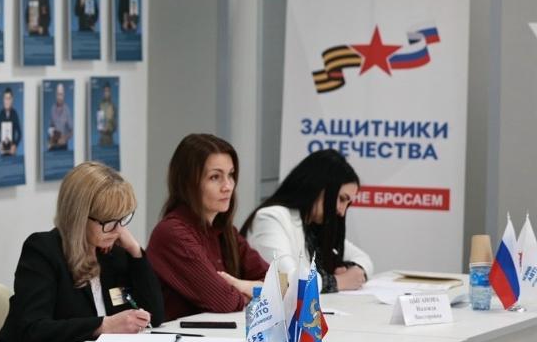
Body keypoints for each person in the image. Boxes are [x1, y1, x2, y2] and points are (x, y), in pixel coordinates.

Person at [0, 163, 165, 342]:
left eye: (122, 219)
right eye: (109, 221)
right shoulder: (43, 251)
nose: (118, 230)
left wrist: (135, 252)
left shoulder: (113, 252)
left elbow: (155, 316)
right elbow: (33, 330)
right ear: (79, 217)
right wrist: (103, 325)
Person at [148, 134, 270, 319]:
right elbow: (225, 302)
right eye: (215, 177)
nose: (228, 186)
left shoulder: (225, 231)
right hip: (183, 337)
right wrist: (256, 292)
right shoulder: (172, 233)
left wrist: (242, 286)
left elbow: (281, 284)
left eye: (230, 175)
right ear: (188, 182)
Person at [242, 149, 374, 292]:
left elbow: (364, 259)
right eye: (342, 199)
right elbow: (287, 280)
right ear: (319, 187)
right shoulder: (270, 218)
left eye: (347, 204)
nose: (342, 212)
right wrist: (339, 281)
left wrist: (350, 271)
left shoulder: (314, 226)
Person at [0, 86, 21, 156]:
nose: (7, 101)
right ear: (3, 100)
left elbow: (19, 133)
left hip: (12, 152)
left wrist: (15, 145)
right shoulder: (1, 114)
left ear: (12, 100)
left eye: (9, 99)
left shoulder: (15, 114)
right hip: (3, 151)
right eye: (5, 98)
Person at [47, 83, 72, 151]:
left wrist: (65, 138)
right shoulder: (52, 109)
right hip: (53, 145)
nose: (59, 97)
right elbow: (51, 127)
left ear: (64, 95)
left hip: (63, 147)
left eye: (61, 94)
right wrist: (49, 142)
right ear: (56, 95)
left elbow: (72, 131)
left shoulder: (67, 110)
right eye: (58, 94)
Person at [96, 83, 117, 148]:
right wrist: (102, 129)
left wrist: (109, 128)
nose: (106, 93)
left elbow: (115, 125)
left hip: (110, 138)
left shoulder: (113, 106)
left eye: (108, 91)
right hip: (102, 139)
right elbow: (99, 123)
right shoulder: (100, 105)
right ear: (103, 93)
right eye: (105, 91)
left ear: (110, 93)